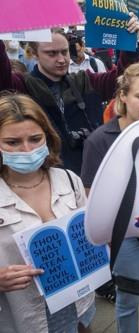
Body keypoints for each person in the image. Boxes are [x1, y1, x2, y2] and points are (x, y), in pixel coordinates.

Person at [80, 61, 139, 333]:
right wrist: (137, 226)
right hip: (125, 236)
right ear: (123, 95)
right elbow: (92, 200)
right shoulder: (99, 140)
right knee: (129, 300)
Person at [0, 93, 95, 332]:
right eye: (12, 142)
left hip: (75, 306)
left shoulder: (69, 181)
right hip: (20, 316)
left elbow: (89, 235)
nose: (26, 150)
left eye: (35, 139)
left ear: (48, 137)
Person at [0, 14, 139, 174]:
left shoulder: (85, 81)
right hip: (44, 177)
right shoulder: (21, 86)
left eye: (64, 52)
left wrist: (130, 43)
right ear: (34, 53)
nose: (61, 59)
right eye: (51, 53)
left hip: (89, 173)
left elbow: (123, 79)